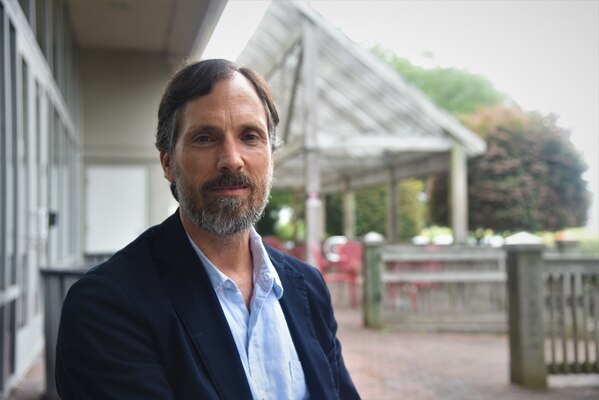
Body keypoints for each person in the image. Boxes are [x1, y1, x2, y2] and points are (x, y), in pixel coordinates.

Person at [55, 59, 360, 400]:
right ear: (168, 163)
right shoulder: (106, 306)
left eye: (250, 136)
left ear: (271, 158)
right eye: (205, 137)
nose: (232, 159)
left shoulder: (307, 287)